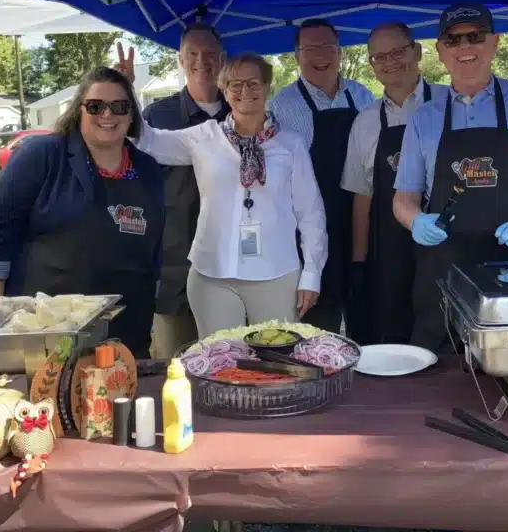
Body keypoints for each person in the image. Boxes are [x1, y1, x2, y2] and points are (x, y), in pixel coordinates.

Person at [393, 2, 508, 351]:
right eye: (453, 40)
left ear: (495, 42)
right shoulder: (424, 118)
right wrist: (415, 221)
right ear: (440, 51)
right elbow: (404, 198)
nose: (464, 48)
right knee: (441, 370)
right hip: (445, 273)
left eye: (474, 37)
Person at [126, 48, 327, 339]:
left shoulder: (290, 145)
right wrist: (128, 89)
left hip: (276, 273)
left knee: (277, 366)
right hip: (212, 275)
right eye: (236, 84)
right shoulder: (204, 137)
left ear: (268, 87)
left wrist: (312, 273)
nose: (245, 91)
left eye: (254, 83)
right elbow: (148, 141)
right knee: (221, 366)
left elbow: (311, 214)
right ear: (225, 90)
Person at [0, 67, 165, 359]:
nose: (107, 115)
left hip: (126, 332)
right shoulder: (41, 155)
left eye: (119, 106)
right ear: (79, 110)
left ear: (132, 115)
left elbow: (155, 250)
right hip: (46, 329)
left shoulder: (148, 169)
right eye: (96, 106)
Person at [341, 22, 447, 345]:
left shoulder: (449, 104)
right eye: (379, 57)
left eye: (398, 52)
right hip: (389, 250)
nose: (389, 62)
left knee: (445, 336)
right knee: (393, 335)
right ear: (372, 66)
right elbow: (362, 195)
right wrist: (360, 261)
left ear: (416, 51)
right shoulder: (365, 121)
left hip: (446, 243)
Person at [268, 19, 375, 334]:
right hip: (310, 236)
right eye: (310, 48)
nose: (320, 54)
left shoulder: (363, 96)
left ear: (340, 52)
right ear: (296, 56)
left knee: (366, 326)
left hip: (362, 226)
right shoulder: (280, 107)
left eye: (328, 46)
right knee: (316, 335)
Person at [143, 24, 230, 358]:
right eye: (192, 54)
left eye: (209, 54)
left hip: (229, 264)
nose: (201, 61)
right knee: (173, 366)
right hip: (174, 266)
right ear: (181, 59)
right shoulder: (156, 116)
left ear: (222, 59)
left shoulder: (241, 111)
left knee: (227, 363)